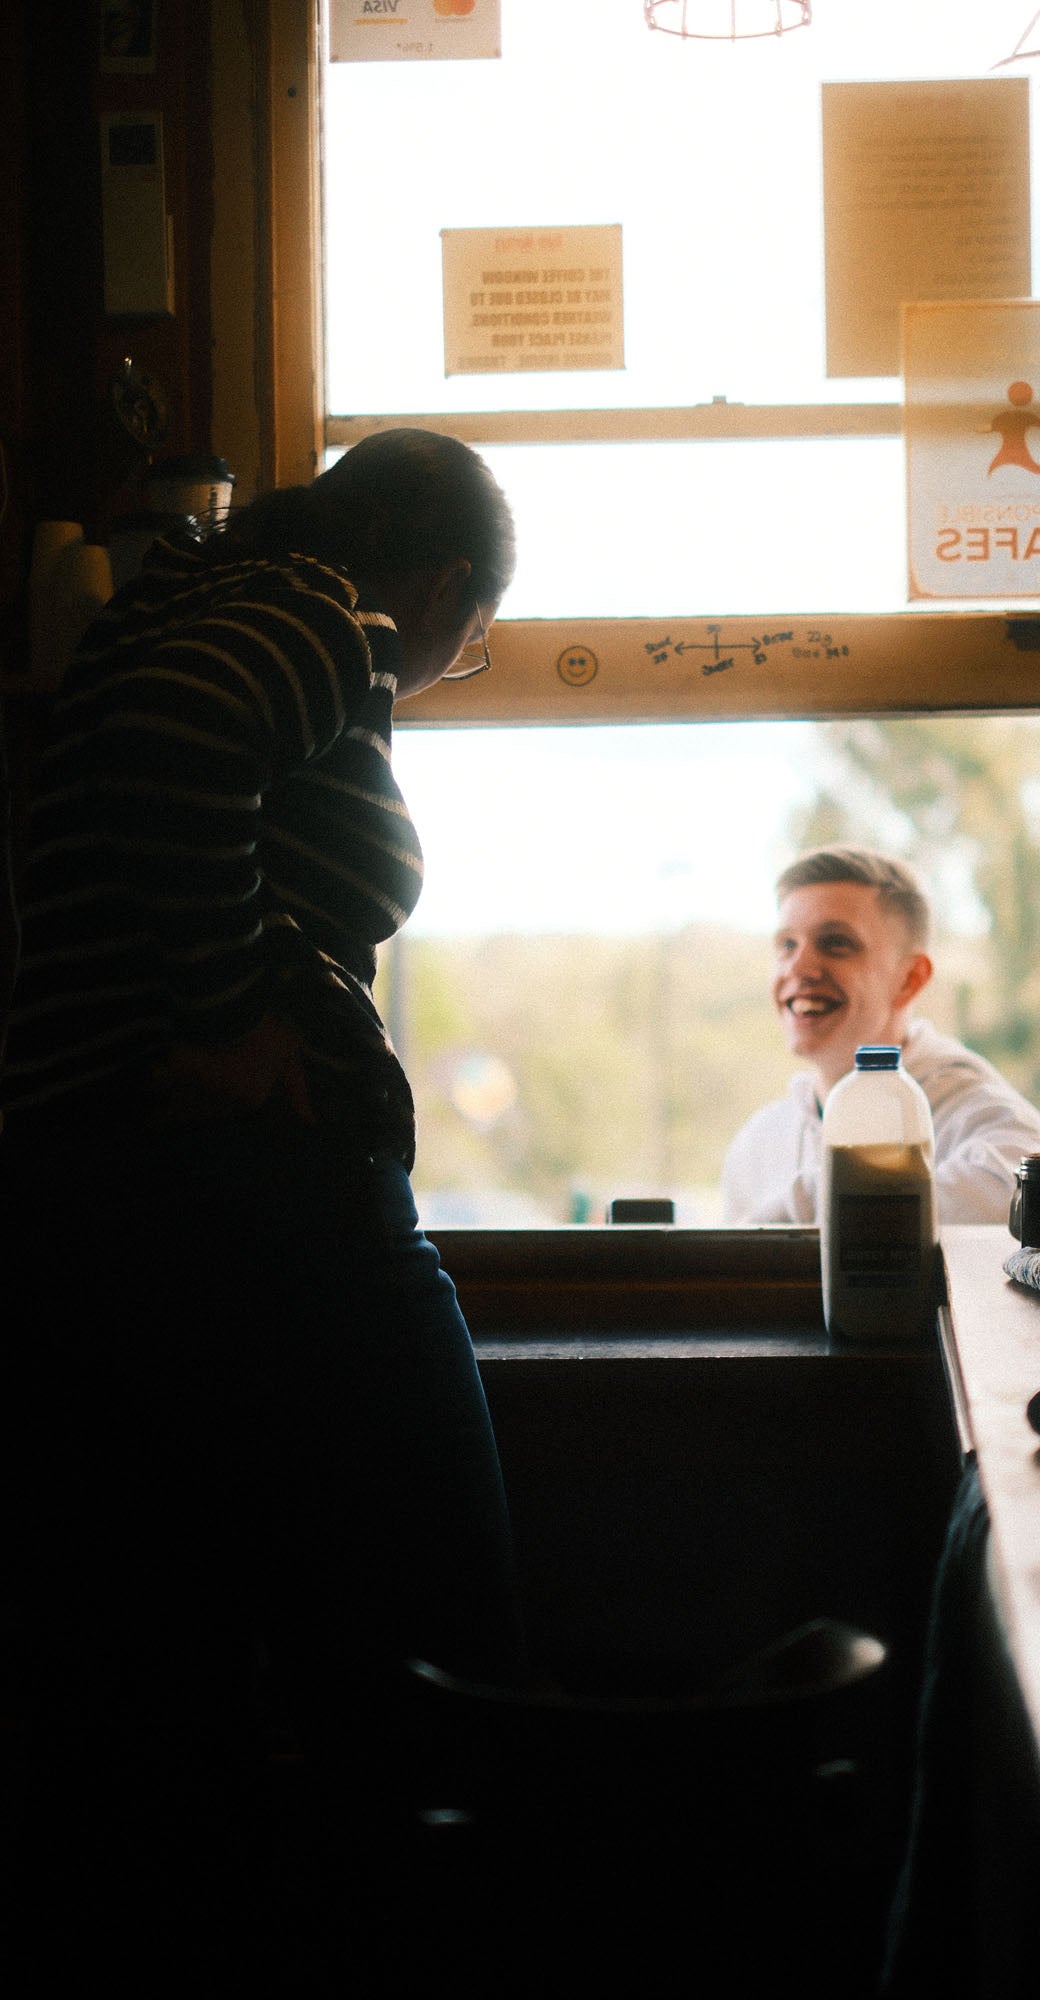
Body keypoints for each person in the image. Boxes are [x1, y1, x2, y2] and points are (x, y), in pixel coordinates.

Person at [0, 429, 525, 1977]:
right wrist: (233, 1009)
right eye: (472, 640)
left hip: (118, 1216)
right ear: (439, 587)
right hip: (247, 1217)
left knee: (168, 1684)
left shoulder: (190, 599)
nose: (452, 662)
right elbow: (181, 738)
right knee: (438, 1645)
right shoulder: (312, 610)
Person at [722, 844, 1040, 1226]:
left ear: (910, 979)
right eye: (787, 945)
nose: (800, 966)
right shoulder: (756, 1144)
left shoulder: (993, 1125)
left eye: (836, 943)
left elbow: (1012, 1204)